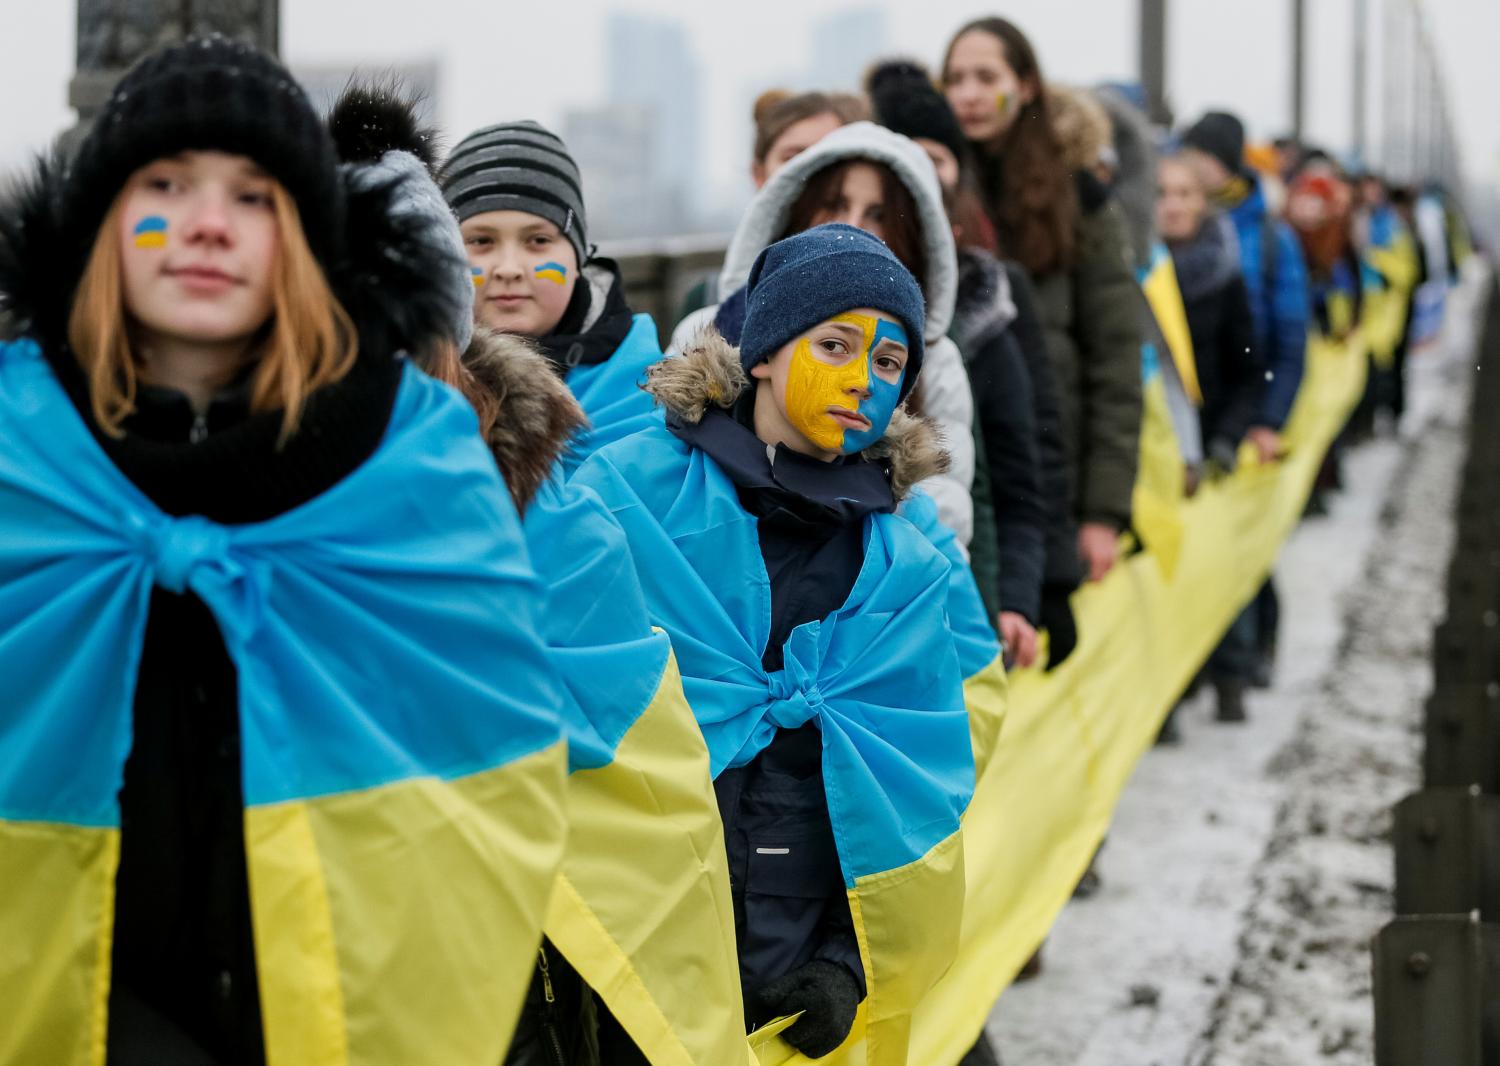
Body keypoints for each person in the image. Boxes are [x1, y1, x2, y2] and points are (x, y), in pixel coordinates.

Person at [0, 37, 568, 1065]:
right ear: (102, 228)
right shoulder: (16, 467)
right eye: (163, 186)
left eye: (257, 196)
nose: (208, 223)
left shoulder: (414, 472)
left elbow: (494, 789)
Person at [574, 224, 974, 1061]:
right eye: (836, 345)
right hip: (628, 943)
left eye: (890, 364)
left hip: (784, 961)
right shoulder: (625, 497)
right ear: (762, 352)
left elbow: (914, 785)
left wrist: (843, 961)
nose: (863, 380)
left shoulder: (902, 559)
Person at [670, 120, 979, 554]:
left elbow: (946, 522)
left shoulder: (939, 360)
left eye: (878, 213)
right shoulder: (707, 328)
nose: (854, 224)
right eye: (834, 204)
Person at [942, 17, 1143, 660]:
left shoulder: (1079, 199)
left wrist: (1102, 513)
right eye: (955, 79)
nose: (968, 94)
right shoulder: (932, 194)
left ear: (1025, 86)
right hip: (970, 456)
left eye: (986, 77)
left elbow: (1115, 359)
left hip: (1056, 470)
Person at [866, 57, 1059, 665]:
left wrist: (1026, 593)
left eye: (934, 161)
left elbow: (1014, 463)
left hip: (957, 587)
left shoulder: (986, 302)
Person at [439, 121, 665, 472]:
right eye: (481, 241)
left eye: (538, 241)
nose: (509, 268)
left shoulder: (652, 395)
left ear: (578, 258)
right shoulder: (413, 390)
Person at [1181, 109, 1311, 687]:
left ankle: (1251, 655)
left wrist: (1267, 419)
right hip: (1193, 412)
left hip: (1247, 404)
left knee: (1246, 546)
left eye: (1203, 160)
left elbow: (1289, 339)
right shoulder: (1172, 224)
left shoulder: (1270, 237)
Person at [1157, 152, 1265, 722]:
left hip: (1213, 450)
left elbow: (1250, 370)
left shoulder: (1226, 277)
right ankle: (1167, 699)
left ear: (1203, 204)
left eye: (1185, 193)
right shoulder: (1135, 274)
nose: (1173, 204)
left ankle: (1232, 677)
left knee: (1220, 569)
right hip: (1158, 455)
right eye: (1163, 192)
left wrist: (1225, 440)